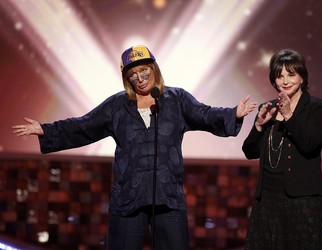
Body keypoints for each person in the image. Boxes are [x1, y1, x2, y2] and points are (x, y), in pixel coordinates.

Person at [12, 45, 257, 250]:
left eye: (144, 71)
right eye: (133, 75)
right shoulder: (117, 106)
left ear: (153, 69)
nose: (140, 78)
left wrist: (233, 114)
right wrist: (47, 129)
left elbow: (205, 115)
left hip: (168, 197)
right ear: (126, 78)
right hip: (128, 198)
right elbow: (84, 126)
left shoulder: (177, 100)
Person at [242, 48, 322, 250]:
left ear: (301, 77)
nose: (285, 81)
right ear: (274, 80)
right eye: (279, 76)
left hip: (302, 199)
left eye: (291, 74)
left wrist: (289, 116)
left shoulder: (318, 107)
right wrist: (258, 127)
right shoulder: (269, 107)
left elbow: (310, 145)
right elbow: (249, 152)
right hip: (267, 199)